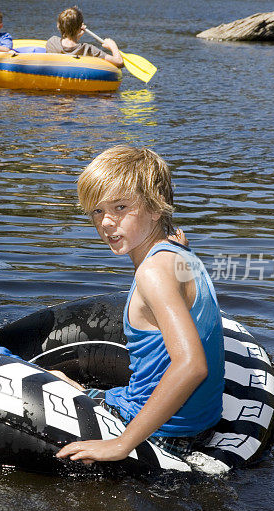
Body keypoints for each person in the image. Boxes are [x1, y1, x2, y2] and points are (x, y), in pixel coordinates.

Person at [54, 145, 224, 463]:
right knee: (64, 381)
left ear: (156, 208)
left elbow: (192, 365)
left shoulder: (153, 272)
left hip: (163, 433)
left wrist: (122, 444)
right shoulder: (177, 255)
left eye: (120, 207)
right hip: (198, 425)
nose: (106, 222)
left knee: (46, 380)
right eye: (97, 211)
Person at [45, 6, 123, 67]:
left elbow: (69, 48)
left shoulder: (52, 42)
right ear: (80, 28)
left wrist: (77, 35)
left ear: (58, 26)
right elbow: (119, 62)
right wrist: (113, 47)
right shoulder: (88, 49)